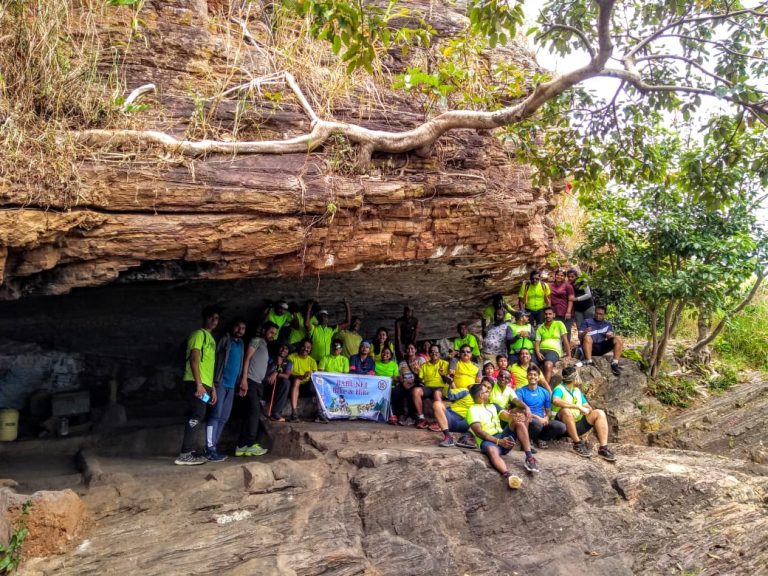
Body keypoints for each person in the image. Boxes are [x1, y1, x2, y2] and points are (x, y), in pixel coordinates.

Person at [466, 383, 540, 485]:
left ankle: (529, 458)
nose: (489, 392)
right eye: (486, 391)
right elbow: (479, 432)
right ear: (480, 395)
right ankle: (508, 475)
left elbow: (506, 416)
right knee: (491, 450)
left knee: (518, 423)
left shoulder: (493, 406)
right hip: (488, 442)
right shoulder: (472, 410)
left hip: (503, 439)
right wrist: (498, 441)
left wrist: (514, 417)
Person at [175, 305, 220, 466]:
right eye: (211, 318)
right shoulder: (198, 335)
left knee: (199, 413)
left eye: (216, 319)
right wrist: (199, 385)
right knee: (197, 415)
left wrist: (212, 389)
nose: (214, 321)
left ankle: (190, 451)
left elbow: (210, 366)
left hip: (206, 384)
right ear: (205, 318)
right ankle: (185, 453)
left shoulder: (212, 339)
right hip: (195, 382)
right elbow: (194, 359)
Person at [552, 366, 617, 461]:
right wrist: (577, 407)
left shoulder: (577, 390)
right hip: (562, 427)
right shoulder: (559, 389)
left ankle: (603, 448)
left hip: (577, 424)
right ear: (574, 378)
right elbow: (555, 400)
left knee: (599, 413)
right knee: (566, 411)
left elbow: (587, 406)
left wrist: (587, 410)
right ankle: (577, 444)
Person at [206, 317, 246, 462]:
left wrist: (241, 382)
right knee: (215, 415)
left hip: (231, 386)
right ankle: (209, 449)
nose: (240, 330)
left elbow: (240, 363)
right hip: (220, 383)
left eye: (243, 328)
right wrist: (212, 382)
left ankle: (213, 447)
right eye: (237, 327)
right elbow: (214, 357)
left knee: (224, 417)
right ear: (232, 327)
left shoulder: (241, 343)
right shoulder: (225, 339)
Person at [235, 321, 278, 457]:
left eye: (275, 334)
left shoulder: (264, 345)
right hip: (250, 381)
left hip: (258, 383)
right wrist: (244, 379)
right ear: (264, 330)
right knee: (254, 413)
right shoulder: (256, 340)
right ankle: (250, 444)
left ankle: (241, 446)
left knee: (249, 414)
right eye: (271, 332)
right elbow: (246, 359)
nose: (273, 335)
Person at [516, 366, 567, 449]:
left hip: (542, 420)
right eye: (530, 374)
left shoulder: (544, 392)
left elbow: (548, 411)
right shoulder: (520, 391)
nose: (532, 377)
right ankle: (528, 440)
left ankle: (542, 439)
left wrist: (546, 418)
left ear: (538, 377)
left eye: (535, 375)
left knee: (561, 427)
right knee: (537, 424)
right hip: (528, 420)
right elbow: (520, 410)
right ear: (527, 376)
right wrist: (538, 418)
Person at [579, 305, 624, 376]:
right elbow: (579, 335)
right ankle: (589, 361)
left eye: (600, 314)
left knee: (618, 339)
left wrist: (610, 335)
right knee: (587, 337)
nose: (598, 315)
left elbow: (610, 334)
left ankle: (615, 363)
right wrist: (585, 332)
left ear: (604, 315)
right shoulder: (586, 321)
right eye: (596, 313)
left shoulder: (608, 324)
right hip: (590, 347)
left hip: (601, 347)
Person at [414, 344, 450, 430]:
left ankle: (438, 422)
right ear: (429, 354)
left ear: (439, 354)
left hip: (440, 387)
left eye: (436, 352)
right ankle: (422, 418)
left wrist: (442, 375)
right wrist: (417, 373)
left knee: (437, 393)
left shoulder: (445, 364)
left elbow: (448, 381)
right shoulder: (424, 365)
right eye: (432, 352)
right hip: (428, 388)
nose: (434, 354)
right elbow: (419, 381)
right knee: (416, 391)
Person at [534, 307, 571, 385]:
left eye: (550, 314)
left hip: (554, 351)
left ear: (554, 315)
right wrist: (537, 353)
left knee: (548, 365)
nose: (548, 316)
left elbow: (565, 340)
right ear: (544, 315)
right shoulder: (540, 327)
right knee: (530, 364)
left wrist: (569, 355)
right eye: (546, 314)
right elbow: (537, 342)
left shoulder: (559, 324)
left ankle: (545, 390)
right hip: (541, 351)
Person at [287, 338, 320, 422]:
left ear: (310, 349)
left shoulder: (312, 361)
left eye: (308, 347)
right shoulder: (292, 357)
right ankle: (294, 413)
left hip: (306, 386)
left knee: (318, 384)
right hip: (293, 383)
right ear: (300, 346)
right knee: (297, 380)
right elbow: (288, 373)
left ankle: (319, 413)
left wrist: (310, 374)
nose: (305, 349)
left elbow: (316, 376)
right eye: (303, 346)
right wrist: (300, 376)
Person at [392, 343, 425, 425]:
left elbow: (424, 374)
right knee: (395, 392)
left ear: (415, 350)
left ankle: (411, 416)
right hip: (404, 383)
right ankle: (398, 415)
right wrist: (403, 382)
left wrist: (413, 381)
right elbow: (400, 375)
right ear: (406, 351)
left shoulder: (421, 360)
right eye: (408, 348)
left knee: (412, 392)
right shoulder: (402, 362)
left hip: (417, 382)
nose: (410, 350)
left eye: (412, 348)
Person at [264, 343, 292, 421]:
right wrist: (276, 363)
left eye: (286, 348)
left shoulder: (288, 362)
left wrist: (276, 373)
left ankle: (276, 413)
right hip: (266, 384)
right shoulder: (270, 358)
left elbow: (287, 376)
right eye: (281, 347)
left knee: (286, 382)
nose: (283, 350)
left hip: (278, 388)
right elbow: (265, 371)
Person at [548, 269, 575, 340]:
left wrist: (568, 312)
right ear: (555, 275)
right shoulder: (550, 285)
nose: (559, 277)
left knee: (566, 330)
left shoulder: (568, 286)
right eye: (558, 275)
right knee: (556, 330)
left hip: (566, 312)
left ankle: (566, 349)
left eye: (562, 275)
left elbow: (571, 299)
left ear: (564, 277)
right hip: (555, 312)